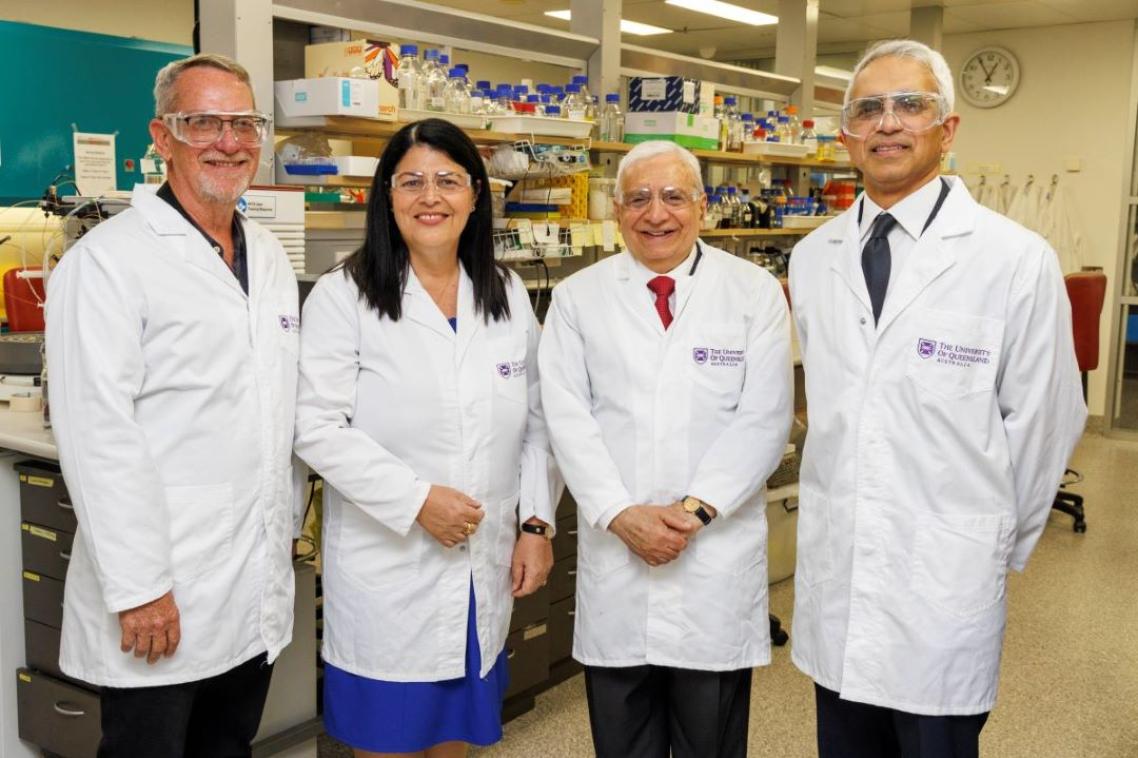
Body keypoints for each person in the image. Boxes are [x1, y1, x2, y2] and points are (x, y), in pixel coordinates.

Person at [788, 39, 1087, 758]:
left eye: (910, 105)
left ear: (947, 129)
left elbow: (1047, 420)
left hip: (943, 584)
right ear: (847, 136)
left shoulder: (1013, 259)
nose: (887, 123)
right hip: (841, 575)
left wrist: (983, 545)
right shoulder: (814, 257)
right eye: (868, 109)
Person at [45, 53, 301, 757]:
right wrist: (139, 588)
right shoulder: (108, 263)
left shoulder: (270, 256)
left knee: (227, 748)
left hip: (249, 585)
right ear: (162, 137)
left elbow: (274, 411)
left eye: (243, 122)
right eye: (204, 123)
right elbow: (98, 436)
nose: (229, 140)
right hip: (161, 591)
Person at [293, 118, 557, 758]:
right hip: (392, 577)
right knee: (388, 741)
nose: (429, 197)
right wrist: (416, 500)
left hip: (481, 571)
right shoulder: (343, 296)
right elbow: (316, 426)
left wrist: (535, 525)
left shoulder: (506, 293)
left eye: (447, 180)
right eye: (411, 181)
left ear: (475, 195)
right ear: (387, 195)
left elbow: (540, 420)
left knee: (454, 745)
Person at [539, 139, 793, 758]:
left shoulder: (753, 292)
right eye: (640, 199)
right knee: (623, 742)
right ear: (619, 210)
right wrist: (621, 515)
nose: (657, 214)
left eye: (674, 197)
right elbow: (566, 417)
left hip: (712, 555)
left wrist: (695, 512)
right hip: (616, 551)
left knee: (711, 739)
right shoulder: (579, 298)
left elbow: (764, 418)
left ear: (702, 207)